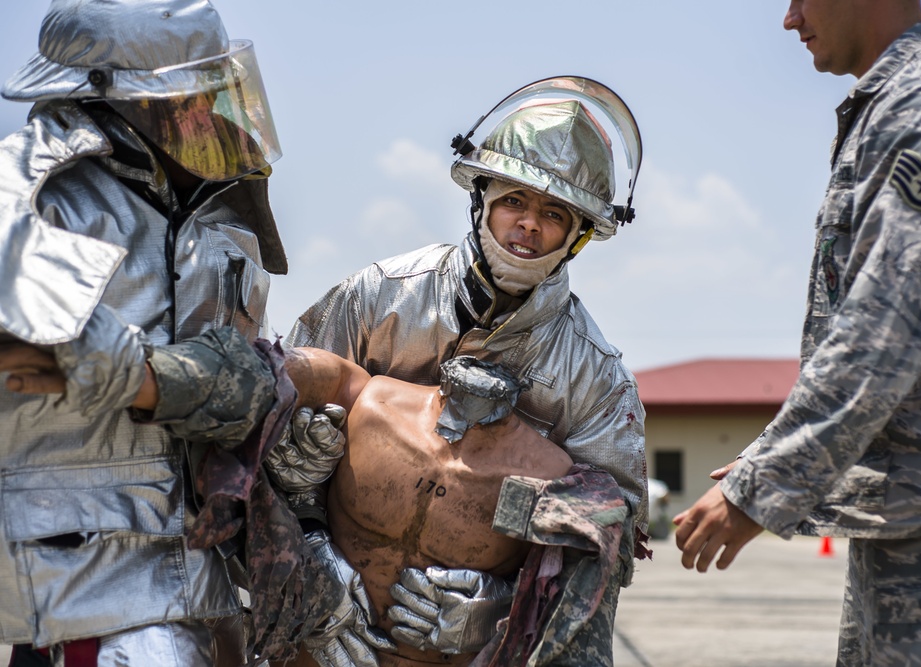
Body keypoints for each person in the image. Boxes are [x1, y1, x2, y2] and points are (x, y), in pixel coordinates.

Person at [673, 1, 921, 665]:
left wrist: (759, 486)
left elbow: (885, 329)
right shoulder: (896, 105)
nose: (790, 19)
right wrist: (770, 453)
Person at [286, 77, 650, 666]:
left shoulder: (596, 381)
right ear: (479, 198)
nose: (528, 225)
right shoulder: (379, 299)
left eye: (553, 213)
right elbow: (273, 423)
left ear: (580, 235)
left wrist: (501, 612)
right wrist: (308, 556)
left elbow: (605, 550)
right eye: (513, 201)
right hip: (325, 637)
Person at [0, 1, 292, 664]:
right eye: (190, 97)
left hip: (201, 584)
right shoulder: (33, 193)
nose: (210, 114)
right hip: (77, 587)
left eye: (213, 92)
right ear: (118, 103)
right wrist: (135, 369)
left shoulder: (220, 222)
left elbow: (249, 382)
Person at [273, 349, 630, 667]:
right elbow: (259, 381)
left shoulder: (547, 477)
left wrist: (505, 611)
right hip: (317, 652)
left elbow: (578, 594)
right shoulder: (367, 403)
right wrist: (304, 532)